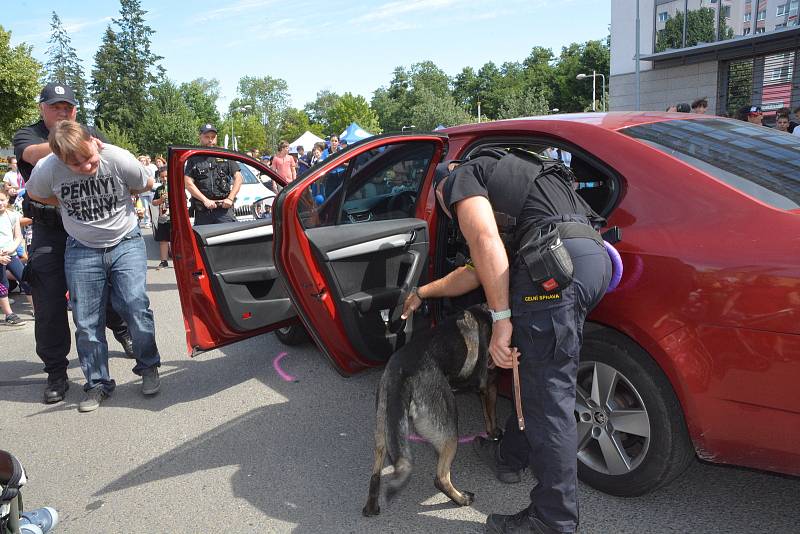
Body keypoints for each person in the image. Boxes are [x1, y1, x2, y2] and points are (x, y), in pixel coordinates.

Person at [405, 150, 611, 534]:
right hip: (589, 257)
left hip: (552, 265)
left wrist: (500, 321)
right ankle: (511, 455)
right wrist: (424, 291)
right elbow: (477, 269)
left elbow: (483, 241)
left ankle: (553, 519)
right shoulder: (515, 176)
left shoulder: (458, 181)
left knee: (549, 399)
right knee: (533, 370)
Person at [26, 120, 162, 412]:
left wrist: (129, 193)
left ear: (94, 142)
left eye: (89, 158)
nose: (87, 166)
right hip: (81, 249)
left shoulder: (117, 158)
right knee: (86, 321)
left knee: (135, 305)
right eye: (76, 164)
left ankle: (148, 366)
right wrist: (61, 200)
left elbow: (147, 184)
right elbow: (35, 193)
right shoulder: (47, 168)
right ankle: (97, 383)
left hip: (125, 241)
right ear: (60, 159)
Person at [12, 82, 133, 404]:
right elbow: (30, 154)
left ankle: (122, 331)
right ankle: (56, 372)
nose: (62, 111)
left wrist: (84, 142)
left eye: (68, 107)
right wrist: (71, 145)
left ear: (75, 110)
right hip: (50, 230)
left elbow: (104, 161)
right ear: (42, 108)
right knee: (49, 302)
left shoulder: (90, 131)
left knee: (99, 292)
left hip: (88, 224)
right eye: (55, 106)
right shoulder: (27, 135)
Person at [184, 124, 242, 225]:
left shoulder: (225, 155)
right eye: (207, 137)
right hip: (203, 211)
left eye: (213, 137)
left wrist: (230, 198)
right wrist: (205, 200)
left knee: (230, 239)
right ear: (200, 137)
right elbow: (188, 182)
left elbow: (238, 178)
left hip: (224, 211)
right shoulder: (193, 157)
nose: (210, 140)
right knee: (201, 240)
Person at [0, 189, 29, 326]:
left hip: (10, 254)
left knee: (26, 279)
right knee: (3, 284)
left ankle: (38, 310)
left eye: (2, 200)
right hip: (0, 256)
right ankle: (9, 314)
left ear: (7, 200)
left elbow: (18, 237)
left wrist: (11, 249)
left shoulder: (12, 215)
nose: (0, 203)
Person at [151, 166, 171, 269]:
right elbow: (154, 202)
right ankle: (164, 261)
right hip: (163, 217)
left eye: (167, 176)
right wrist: (161, 200)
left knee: (177, 240)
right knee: (163, 240)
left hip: (174, 218)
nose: (165, 179)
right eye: (163, 177)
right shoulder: (159, 189)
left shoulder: (175, 186)